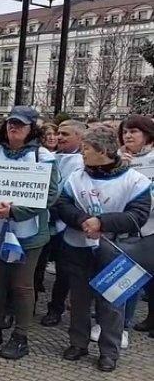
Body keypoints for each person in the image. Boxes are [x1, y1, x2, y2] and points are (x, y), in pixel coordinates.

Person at [57, 127, 151, 372]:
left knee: (112, 303)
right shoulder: (76, 178)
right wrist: (82, 220)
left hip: (115, 249)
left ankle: (109, 351)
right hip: (78, 246)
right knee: (79, 299)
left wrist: (102, 222)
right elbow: (63, 205)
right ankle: (78, 342)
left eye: (87, 149)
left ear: (103, 151)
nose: (83, 153)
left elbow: (137, 216)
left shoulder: (135, 180)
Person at [0, 106, 59, 360]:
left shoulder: (43, 157)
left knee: (21, 285)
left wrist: (15, 212)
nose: (13, 128)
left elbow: (50, 195)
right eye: (10, 124)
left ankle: (21, 335)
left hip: (27, 233)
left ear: (32, 129)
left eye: (20, 125)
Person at [39, 120, 87, 327]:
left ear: (80, 137)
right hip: (45, 218)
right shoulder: (51, 157)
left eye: (65, 134)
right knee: (37, 265)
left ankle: (56, 307)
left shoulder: (84, 161)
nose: (59, 137)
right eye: (58, 133)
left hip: (66, 223)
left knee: (64, 270)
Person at [116, 115, 154, 340]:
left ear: (147, 135)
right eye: (125, 131)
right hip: (124, 226)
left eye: (134, 132)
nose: (128, 136)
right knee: (127, 275)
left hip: (149, 226)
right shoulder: (118, 157)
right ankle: (121, 325)